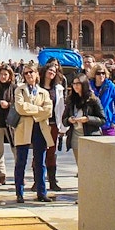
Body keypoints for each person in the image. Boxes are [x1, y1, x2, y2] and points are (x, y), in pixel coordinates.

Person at [14, 62, 54, 204]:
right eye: (26, 73)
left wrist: (31, 111)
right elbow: (20, 108)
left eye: (31, 72)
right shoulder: (20, 90)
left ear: (37, 74)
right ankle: (19, 192)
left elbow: (49, 111)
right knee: (21, 161)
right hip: (24, 128)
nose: (29, 75)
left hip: (40, 129)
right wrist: (39, 110)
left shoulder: (44, 92)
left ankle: (41, 192)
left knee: (40, 162)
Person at [35, 62, 67, 192]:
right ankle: (38, 181)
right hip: (40, 123)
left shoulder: (58, 88)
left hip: (53, 124)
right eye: (50, 70)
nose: (52, 73)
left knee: (51, 153)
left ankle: (52, 181)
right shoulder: (36, 88)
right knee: (38, 153)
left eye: (54, 71)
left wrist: (62, 127)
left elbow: (61, 108)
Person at [62, 73, 106, 165]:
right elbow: (64, 120)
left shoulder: (93, 100)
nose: (75, 86)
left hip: (90, 136)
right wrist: (69, 120)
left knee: (91, 166)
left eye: (78, 83)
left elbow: (103, 120)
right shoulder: (71, 100)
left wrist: (87, 119)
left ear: (84, 84)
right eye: (74, 84)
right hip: (75, 137)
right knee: (81, 166)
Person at [89, 63, 115, 136]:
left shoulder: (111, 86)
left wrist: (114, 121)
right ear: (94, 75)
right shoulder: (89, 87)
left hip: (107, 124)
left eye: (103, 73)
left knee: (110, 146)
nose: (101, 75)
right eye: (98, 73)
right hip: (93, 124)